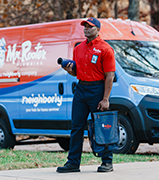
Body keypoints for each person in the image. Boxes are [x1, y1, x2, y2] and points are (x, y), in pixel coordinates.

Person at [56, 17, 116, 173]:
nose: (86, 29)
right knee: (76, 127)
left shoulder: (105, 49)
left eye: (90, 27)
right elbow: (76, 72)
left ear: (97, 29)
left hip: (97, 90)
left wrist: (105, 99)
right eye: (85, 27)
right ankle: (73, 163)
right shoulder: (78, 48)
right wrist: (69, 70)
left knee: (102, 126)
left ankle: (107, 162)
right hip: (81, 89)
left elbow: (109, 75)